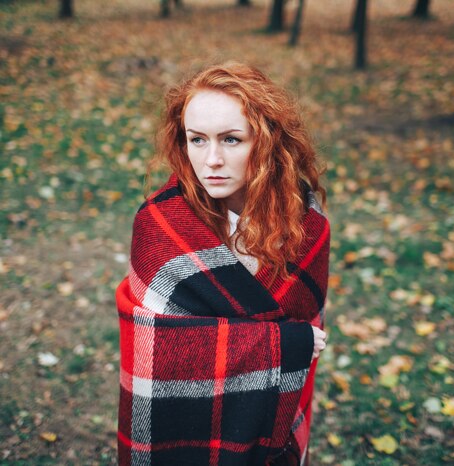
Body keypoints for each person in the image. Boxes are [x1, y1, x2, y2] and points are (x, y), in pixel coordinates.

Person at [115, 62, 330, 465]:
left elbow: (306, 325)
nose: (211, 159)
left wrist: (293, 345)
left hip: (266, 424)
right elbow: (153, 347)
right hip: (180, 432)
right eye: (197, 140)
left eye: (231, 140)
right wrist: (286, 344)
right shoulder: (159, 227)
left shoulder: (307, 227)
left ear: (267, 142)